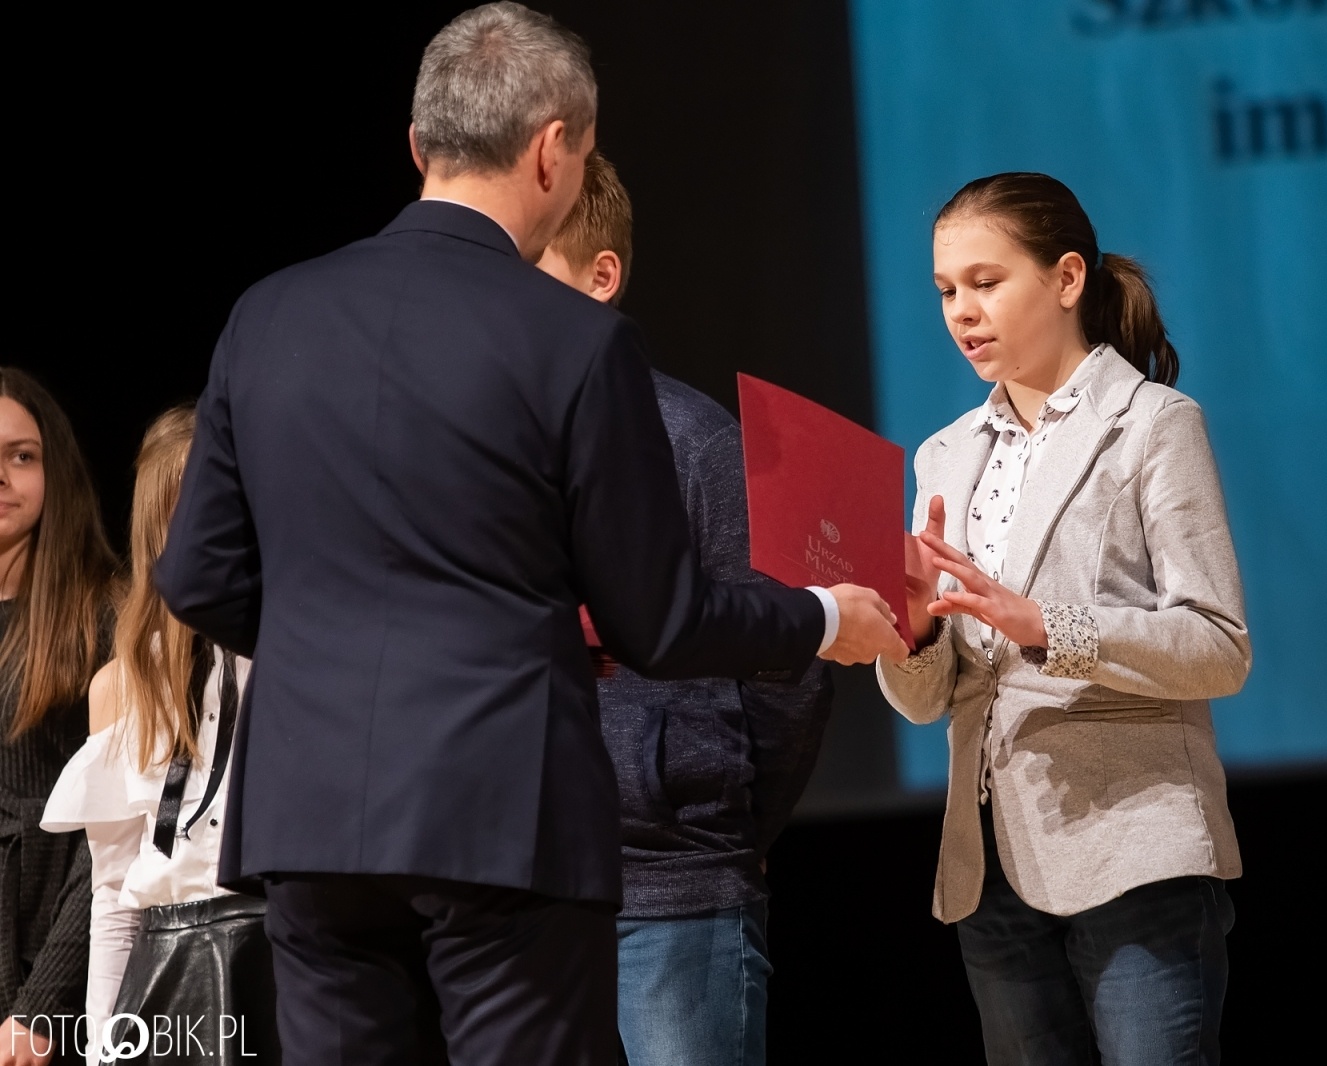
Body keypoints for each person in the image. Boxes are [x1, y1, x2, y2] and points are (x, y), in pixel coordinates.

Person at [151, 6, 905, 1065]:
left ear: (418, 144)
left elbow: (198, 578)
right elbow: (657, 619)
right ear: (553, 151)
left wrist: (338, 650)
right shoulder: (573, 340)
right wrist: (824, 616)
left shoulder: (267, 314)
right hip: (499, 806)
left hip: (309, 809)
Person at [878, 172, 1249, 1066]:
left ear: (1068, 278)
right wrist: (916, 630)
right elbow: (927, 702)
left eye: (986, 282)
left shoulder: (1154, 424)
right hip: (991, 866)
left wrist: (1047, 624)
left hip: (1134, 851)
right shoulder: (942, 457)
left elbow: (1218, 645)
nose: (962, 312)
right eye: (945, 291)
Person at [536, 153, 833, 1066]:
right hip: (518, 895)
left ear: (602, 276)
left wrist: (720, 823)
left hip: (674, 890)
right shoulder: (480, 444)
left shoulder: (696, 443)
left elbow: (785, 669)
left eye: (528, 268)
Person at [41, 407, 279, 1065]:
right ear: (157, 530)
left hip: (278, 955)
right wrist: (100, 1045)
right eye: (193, 510)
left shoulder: (290, 657)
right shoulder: (124, 682)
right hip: (166, 968)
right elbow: (114, 893)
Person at [0, 368, 116, 1066]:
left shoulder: (102, 618)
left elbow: (111, 834)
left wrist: (42, 1005)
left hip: (54, 973)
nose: (1, 476)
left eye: (21, 455)